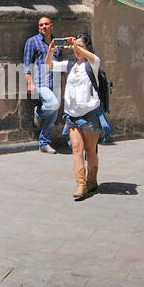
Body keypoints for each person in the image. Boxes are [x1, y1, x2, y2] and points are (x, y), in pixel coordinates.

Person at [61, 32, 104, 200]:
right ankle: (81, 184)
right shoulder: (70, 65)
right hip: (72, 115)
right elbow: (49, 66)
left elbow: (96, 59)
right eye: (75, 47)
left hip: (90, 114)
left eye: (81, 46)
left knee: (89, 150)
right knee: (76, 149)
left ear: (87, 48)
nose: (77, 50)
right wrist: (50, 50)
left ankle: (92, 181)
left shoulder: (92, 64)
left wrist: (74, 45)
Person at [23, 16, 64, 153]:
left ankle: (44, 143)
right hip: (40, 82)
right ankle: (39, 112)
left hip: (55, 82)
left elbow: (60, 66)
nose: (43, 27)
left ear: (51, 26)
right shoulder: (32, 42)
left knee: (52, 117)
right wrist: (30, 83)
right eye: (41, 25)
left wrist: (62, 86)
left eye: (46, 24)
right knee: (53, 105)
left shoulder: (57, 43)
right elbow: (27, 64)